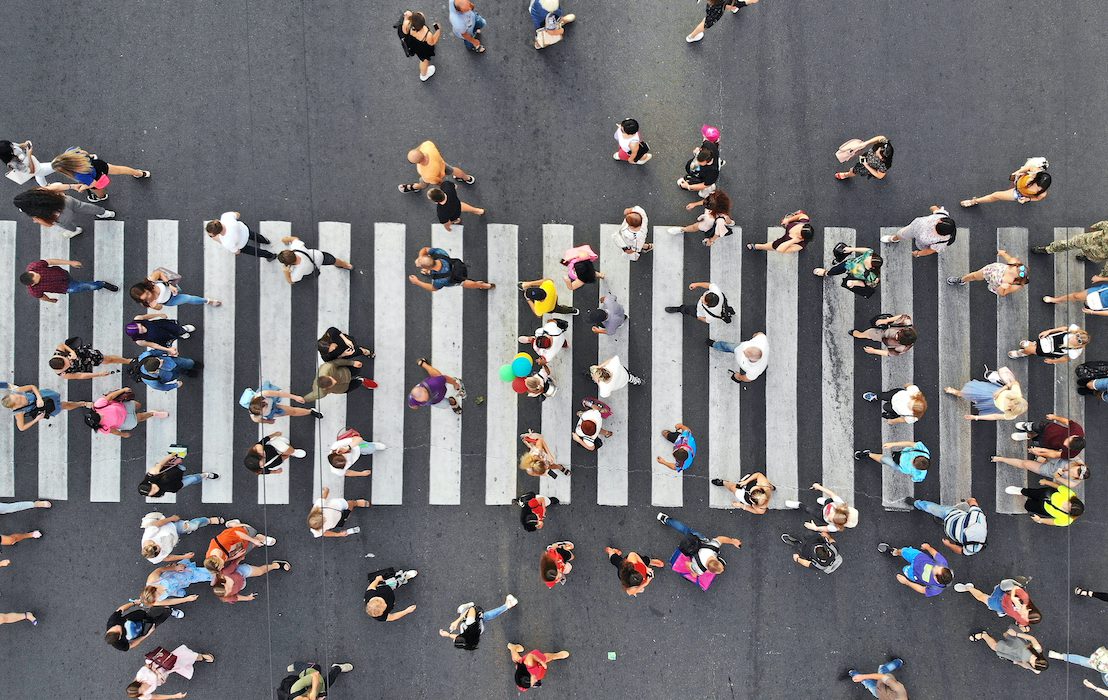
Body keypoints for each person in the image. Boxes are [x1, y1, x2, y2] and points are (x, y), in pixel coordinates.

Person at [656, 512, 742, 580]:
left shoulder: (713, 548)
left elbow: (721, 539)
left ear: (716, 560)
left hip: (697, 539)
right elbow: (687, 564)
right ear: (709, 570)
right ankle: (664, 519)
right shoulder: (700, 570)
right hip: (689, 549)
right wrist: (694, 573)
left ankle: (665, 519)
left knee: (685, 529)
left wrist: (733, 541)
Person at [12, 183, 115, 238]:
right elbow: (56, 187)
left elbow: (48, 224)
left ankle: (76, 231)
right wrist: (72, 186)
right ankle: (105, 213)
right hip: (65, 201)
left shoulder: (34, 213)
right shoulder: (38, 192)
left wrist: (36, 220)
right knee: (85, 206)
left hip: (61, 217)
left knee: (68, 226)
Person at [48, 147, 149, 202]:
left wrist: (82, 187)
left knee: (97, 189)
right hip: (98, 164)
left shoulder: (78, 175)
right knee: (119, 169)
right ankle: (140, 173)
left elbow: (92, 183)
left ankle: (101, 197)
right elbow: (85, 152)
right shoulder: (70, 151)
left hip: (96, 177)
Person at [903, 496, 987, 556]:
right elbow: (972, 501)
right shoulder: (977, 516)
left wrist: (949, 545)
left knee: (932, 509)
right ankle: (916, 503)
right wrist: (949, 544)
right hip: (951, 514)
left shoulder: (978, 516)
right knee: (930, 507)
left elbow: (972, 501)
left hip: (951, 522)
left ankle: (943, 520)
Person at [125, 644, 214, 699]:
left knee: (181, 658)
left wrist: (157, 674)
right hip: (166, 671)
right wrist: (174, 696)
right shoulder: (143, 696)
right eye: (141, 692)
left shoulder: (140, 675)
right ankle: (198, 657)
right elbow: (156, 697)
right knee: (181, 661)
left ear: (138, 684)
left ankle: (201, 656)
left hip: (162, 664)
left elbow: (148, 665)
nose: (144, 689)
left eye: (141, 688)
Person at [943, 366, 1027, 421]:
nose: (1008, 406)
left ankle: (961, 394)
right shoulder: (1016, 393)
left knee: (974, 397)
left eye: (1010, 408)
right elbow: (1014, 383)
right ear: (1015, 400)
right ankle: (957, 392)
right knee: (970, 392)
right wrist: (1001, 389)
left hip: (991, 405)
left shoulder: (1011, 415)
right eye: (1011, 404)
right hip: (990, 392)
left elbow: (994, 416)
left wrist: (976, 417)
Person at [953, 577, 1040, 630]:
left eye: (1025, 618)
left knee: (982, 597)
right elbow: (1013, 587)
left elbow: (1021, 623)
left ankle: (968, 588)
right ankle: (1001, 609)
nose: (1022, 616)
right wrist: (1013, 597)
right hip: (1004, 595)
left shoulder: (1024, 621)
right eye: (1025, 614)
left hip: (1000, 605)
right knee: (1000, 587)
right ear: (1029, 608)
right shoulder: (1024, 597)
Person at [961, 156, 1051, 207]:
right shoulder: (1034, 172)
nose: (1034, 188)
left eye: (1038, 189)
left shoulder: (1042, 194)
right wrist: (1018, 172)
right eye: (1035, 185)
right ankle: (975, 201)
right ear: (1035, 178)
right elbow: (1027, 167)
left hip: (1019, 193)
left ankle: (975, 201)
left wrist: (1028, 199)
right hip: (1018, 181)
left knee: (996, 195)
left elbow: (1037, 198)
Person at [20, 257, 118, 303]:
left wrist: (70, 262)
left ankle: (99, 284)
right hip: (66, 287)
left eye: (36, 274)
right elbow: (42, 297)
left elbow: (50, 261)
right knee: (88, 286)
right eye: (38, 278)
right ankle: (101, 284)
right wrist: (50, 300)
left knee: (80, 284)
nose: (39, 275)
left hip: (63, 274)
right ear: (32, 284)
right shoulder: (34, 291)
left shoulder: (34, 267)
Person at [141, 511, 224, 564]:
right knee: (189, 528)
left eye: (158, 548)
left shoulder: (149, 534)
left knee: (193, 526)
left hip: (173, 527)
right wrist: (184, 557)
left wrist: (172, 518)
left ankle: (208, 520)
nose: (160, 548)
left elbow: (158, 523)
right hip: (173, 540)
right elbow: (167, 558)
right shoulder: (154, 558)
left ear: (153, 544)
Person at [439, 596, 518, 650]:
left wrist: (448, 635)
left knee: (487, 617)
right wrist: (457, 621)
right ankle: (508, 604)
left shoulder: (469, 643)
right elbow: (472, 609)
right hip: (476, 616)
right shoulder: (469, 623)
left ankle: (507, 606)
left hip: (480, 628)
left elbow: (457, 637)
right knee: (461, 609)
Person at [1032, 220, 1108, 275]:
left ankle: (1086, 257)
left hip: (1096, 254)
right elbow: (1102, 224)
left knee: (1092, 258)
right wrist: (1093, 228)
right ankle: (1048, 249)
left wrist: (1103, 274)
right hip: (1085, 240)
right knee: (1066, 244)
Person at [85, 387, 167, 437]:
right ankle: (152, 413)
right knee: (140, 417)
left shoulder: (98, 405)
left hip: (124, 406)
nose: (101, 417)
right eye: (99, 419)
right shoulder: (102, 428)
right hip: (125, 421)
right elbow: (114, 431)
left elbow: (111, 396)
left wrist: (123, 390)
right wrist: (123, 434)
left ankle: (150, 413)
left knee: (138, 405)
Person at [877, 542, 952, 597]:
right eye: (940, 567)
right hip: (917, 557)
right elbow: (934, 554)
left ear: (936, 577)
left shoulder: (935, 589)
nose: (938, 565)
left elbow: (922, 589)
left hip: (913, 573)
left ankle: (899, 555)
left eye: (937, 568)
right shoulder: (942, 563)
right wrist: (928, 547)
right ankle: (894, 552)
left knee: (905, 569)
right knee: (904, 551)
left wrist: (906, 582)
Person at [399, 140, 475, 193]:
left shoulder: (425, 173)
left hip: (436, 174)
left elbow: (437, 182)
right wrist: (415, 154)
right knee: (452, 170)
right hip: (441, 164)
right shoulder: (427, 146)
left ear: (418, 162)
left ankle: (413, 187)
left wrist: (444, 186)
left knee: (423, 184)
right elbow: (421, 146)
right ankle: (468, 178)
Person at [408, 245, 493, 291]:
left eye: (419, 265)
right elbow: (425, 249)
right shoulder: (440, 253)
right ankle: (486, 285)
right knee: (463, 282)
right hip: (456, 266)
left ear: (427, 267)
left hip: (454, 277)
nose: (417, 264)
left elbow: (433, 288)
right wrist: (421, 257)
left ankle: (481, 285)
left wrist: (417, 282)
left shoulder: (440, 280)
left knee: (462, 283)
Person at [946, 248, 1028, 296]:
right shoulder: (1014, 263)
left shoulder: (1016, 285)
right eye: (1016, 266)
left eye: (1016, 269)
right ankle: (961, 280)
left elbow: (1002, 293)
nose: (1014, 267)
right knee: (974, 276)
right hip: (990, 270)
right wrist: (1003, 253)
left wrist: (1002, 287)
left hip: (995, 283)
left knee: (978, 277)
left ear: (1017, 276)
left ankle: (962, 280)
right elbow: (1009, 258)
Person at [882, 205, 957, 257]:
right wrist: (933, 208)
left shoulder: (942, 241)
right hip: (914, 227)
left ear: (939, 232)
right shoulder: (942, 215)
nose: (936, 221)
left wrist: (918, 253)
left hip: (921, 239)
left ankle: (894, 238)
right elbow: (935, 209)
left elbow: (930, 250)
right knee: (901, 234)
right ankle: (893, 238)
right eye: (939, 220)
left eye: (937, 223)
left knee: (904, 234)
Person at [2, 383, 82, 432]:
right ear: (16, 406)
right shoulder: (18, 412)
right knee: (64, 405)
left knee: (63, 403)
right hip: (45, 407)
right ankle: (81, 404)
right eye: (18, 400)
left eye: (17, 396)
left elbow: (32, 387)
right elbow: (21, 428)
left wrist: (39, 398)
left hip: (43, 396)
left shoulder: (17, 391)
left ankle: (80, 404)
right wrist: (36, 420)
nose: (21, 396)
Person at [105, 601, 181, 651]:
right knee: (158, 621)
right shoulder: (118, 644)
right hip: (143, 629)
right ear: (119, 637)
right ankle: (169, 611)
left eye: (115, 628)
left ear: (109, 631)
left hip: (141, 615)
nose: (119, 627)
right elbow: (131, 645)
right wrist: (147, 635)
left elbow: (121, 609)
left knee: (153, 611)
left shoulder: (112, 621)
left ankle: (165, 606)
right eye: (119, 631)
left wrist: (134, 603)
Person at [783, 483, 859, 533]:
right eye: (833, 513)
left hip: (821, 516)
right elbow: (831, 494)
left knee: (809, 509)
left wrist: (816, 528)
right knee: (827, 501)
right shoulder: (839, 503)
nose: (828, 515)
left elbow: (826, 528)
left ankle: (798, 505)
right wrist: (819, 487)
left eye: (830, 520)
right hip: (829, 504)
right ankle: (824, 501)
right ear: (838, 510)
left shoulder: (835, 527)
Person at [667, 190, 734, 247]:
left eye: (708, 207)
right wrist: (695, 204)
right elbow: (708, 201)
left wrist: (711, 240)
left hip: (710, 223)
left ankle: (682, 229)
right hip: (713, 219)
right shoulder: (716, 199)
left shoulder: (720, 219)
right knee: (695, 226)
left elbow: (717, 232)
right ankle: (682, 229)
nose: (706, 207)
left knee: (695, 227)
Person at [204, 520, 276, 573]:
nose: (223, 566)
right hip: (234, 546)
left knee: (253, 531)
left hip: (236, 534)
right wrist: (235, 557)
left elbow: (238, 534)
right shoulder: (212, 558)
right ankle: (258, 538)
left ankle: (234, 524)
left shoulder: (223, 541)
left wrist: (253, 540)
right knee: (246, 550)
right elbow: (226, 559)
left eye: (221, 566)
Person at [277, 235, 353, 285]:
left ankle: (345, 265)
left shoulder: (298, 271)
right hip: (319, 256)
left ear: (289, 263)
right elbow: (295, 239)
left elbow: (291, 281)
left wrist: (286, 272)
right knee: (334, 260)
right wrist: (285, 239)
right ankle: (346, 265)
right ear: (292, 252)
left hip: (312, 269)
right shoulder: (297, 248)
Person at [130, 268, 221, 309]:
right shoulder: (147, 302)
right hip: (170, 300)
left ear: (145, 288)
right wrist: (155, 306)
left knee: (180, 291)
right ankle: (208, 301)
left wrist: (168, 285)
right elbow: (160, 307)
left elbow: (159, 273)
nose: (148, 297)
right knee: (189, 298)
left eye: (147, 294)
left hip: (171, 288)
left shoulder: (151, 281)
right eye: (145, 298)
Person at [138, 451, 219, 498]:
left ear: (150, 483)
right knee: (192, 479)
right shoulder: (156, 493)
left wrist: (170, 457)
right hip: (176, 485)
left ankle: (203, 476)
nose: (154, 490)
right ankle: (205, 475)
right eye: (151, 493)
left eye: (152, 488)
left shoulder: (152, 474)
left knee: (191, 478)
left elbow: (160, 464)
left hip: (174, 473)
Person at [1004, 480, 1084, 526]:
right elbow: (1058, 487)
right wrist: (1046, 482)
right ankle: (1020, 491)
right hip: (1045, 494)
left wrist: (1040, 520)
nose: (1066, 505)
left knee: (1028, 506)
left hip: (1043, 508)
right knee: (1030, 492)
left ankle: (1026, 500)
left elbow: (1052, 522)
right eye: (1070, 503)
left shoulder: (1067, 520)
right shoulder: (1071, 494)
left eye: (1069, 509)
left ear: (1070, 513)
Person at [814, 243, 882, 298]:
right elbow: (867, 250)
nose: (866, 259)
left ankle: (828, 272)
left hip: (855, 276)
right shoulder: (869, 254)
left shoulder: (871, 276)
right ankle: (827, 273)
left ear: (872, 267)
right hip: (848, 264)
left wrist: (854, 283)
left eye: (868, 262)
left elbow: (865, 284)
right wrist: (851, 249)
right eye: (869, 258)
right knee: (836, 269)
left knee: (844, 277)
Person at [140, 558, 213, 607]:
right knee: (190, 579)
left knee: (197, 574)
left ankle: (214, 573)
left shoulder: (152, 580)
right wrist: (186, 599)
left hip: (178, 575)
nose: (159, 597)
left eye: (158, 594)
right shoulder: (154, 601)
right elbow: (169, 601)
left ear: (152, 590)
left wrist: (174, 568)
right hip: (177, 585)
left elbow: (159, 570)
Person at [211, 559, 290, 604]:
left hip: (240, 572)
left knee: (260, 572)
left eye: (227, 587)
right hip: (241, 583)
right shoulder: (226, 597)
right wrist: (247, 598)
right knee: (243, 583)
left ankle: (275, 565)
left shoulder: (225, 573)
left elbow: (234, 565)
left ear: (222, 582)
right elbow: (236, 597)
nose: (230, 589)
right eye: (229, 591)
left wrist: (239, 558)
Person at [49, 336, 130, 380]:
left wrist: (72, 352)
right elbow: (80, 376)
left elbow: (62, 345)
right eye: (68, 365)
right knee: (106, 360)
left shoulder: (59, 352)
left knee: (108, 359)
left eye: (68, 360)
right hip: (83, 365)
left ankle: (128, 361)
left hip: (83, 354)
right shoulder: (63, 374)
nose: (70, 362)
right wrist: (99, 374)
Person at [971, 628, 1048, 674]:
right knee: (1006, 633)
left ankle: (984, 635)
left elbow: (1025, 665)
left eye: (1033, 664)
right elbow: (1032, 638)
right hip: (1018, 642)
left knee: (994, 647)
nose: (1032, 661)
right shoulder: (1037, 649)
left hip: (1012, 652)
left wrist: (1016, 662)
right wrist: (1016, 634)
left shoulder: (1033, 667)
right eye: (1035, 659)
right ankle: (1021, 628)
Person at [204, 211, 274, 260]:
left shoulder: (226, 242)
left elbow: (237, 251)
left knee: (255, 251)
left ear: (217, 234)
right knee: (255, 235)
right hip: (245, 230)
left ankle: (270, 255)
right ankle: (266, 241)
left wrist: (218, 240)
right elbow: (237, 214)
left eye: (211, 236)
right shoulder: (226, 217)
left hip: (242, 244)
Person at [241, 382, 322, 423]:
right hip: (272, 412)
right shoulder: (255, 417)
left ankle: (310, 411)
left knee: (293, 410)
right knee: (292, 412)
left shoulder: (264, 394)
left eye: (264, 406)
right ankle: (310, 411)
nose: (265, 408)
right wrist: (268, 422)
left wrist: (295, 397)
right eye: (263, 411)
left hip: (271, 401)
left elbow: (279, 394)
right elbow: (259, 420)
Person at [991, 454, 1088, 489]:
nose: (1073, 472)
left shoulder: (1073, 483)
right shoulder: (1077, 460)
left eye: (1075, 475)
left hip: (1049, 470)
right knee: (1042, 458)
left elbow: (1056, 477)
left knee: (1025, 464)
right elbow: (1065, 452)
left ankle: (1001, 459)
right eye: (1076, 469)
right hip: (1055, 458)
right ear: (1079, 465)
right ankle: (1040, 458)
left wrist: (1059, 473)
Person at [854, 440, 930, 483]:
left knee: (884, 460)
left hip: (898, 465)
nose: (911, 461)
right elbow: (910, 443)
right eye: (913, 459)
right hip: (900, 455)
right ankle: (868, 454)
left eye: (913, 464)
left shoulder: (921, 474)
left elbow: (915, 479)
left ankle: (868, 454)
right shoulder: (923, 451)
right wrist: (893, 444)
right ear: (921, 456)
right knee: (884, 459)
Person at [1011, 413, 1084, 458]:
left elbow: (1055, 454)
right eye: (1068, 440)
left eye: (1067, 446)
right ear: (1074, 436)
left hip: (1049, 443)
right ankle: (1026, 425)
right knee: (1034, 426)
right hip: (1048, 428)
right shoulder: (1077, 429)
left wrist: (1039, 452)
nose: (1064, 443)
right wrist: (1055, 417)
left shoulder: (1072, 453)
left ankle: (1028, 435)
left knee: (1036, 439)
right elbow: (1067, 422)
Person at [1007, 323, 1087, 363]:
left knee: (1029, 349)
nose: (1075, 339)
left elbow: (1066, 359)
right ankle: (1033, 344)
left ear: (1080, 344)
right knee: (1037, 343)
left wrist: (1053, 361)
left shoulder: (1075, 351)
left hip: (1048, 350)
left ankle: (1022, 353)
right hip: (1047, 340)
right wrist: (1048, 331)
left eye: (1079, 341)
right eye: (1077, 336)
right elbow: (1063, 329)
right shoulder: (1073, 330)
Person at [686, 0, 759, 43]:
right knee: (707, 22)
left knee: (728, 4)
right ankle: (691, 36)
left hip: (717, 3)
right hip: (719, 5)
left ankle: (733, 7)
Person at [302, 358, 373, 402]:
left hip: (346, 372)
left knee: (357, 370)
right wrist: (303, 399)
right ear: (326, 388)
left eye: (331, 379)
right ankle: (361, 380)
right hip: (343, 388)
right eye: (332, 384)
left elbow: (337, 362)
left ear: (327, 376)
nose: (335, 381)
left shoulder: (327, 367)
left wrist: (352, 363)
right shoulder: (321, 393)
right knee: (357, 383)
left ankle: (359, 379)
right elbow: (312, 396)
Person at [398, 10, 442, 81]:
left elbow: (404, 31)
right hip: (422, 47)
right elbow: (432, 42)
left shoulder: (407, 24)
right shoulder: (427, 35)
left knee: (421, 58)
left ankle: (424, 73)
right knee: (424, 60)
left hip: (412, 42)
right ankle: (424, 74)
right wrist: (438, 30)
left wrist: (406, 17)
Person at [665, 281, 734, 325]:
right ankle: (730, 312)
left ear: (708, 305)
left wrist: (699, 317)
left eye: (703, 300)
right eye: (704, 296)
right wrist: (696, 284)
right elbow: (709, 285)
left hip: (699, 311)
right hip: (720, 308)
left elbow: (706, 320)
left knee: (688, 309)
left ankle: (680, 309)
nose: (701, 297)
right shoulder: (716, 292)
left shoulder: (711, 315)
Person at [746, 210, 813, 254]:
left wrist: (793, 241)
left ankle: (757, 246)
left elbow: (780, 249)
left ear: (801, 237)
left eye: (799, 231)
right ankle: (794, 214)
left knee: (773, 245)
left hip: (784, 241)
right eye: (801, 226)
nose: (799, 227)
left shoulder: (799, 245)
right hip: (790, 226)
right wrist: (788, 220)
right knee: (796, 215)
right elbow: (801, 216)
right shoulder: (803, 221)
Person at [134, 348, 201, 392]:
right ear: (155, 371)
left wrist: (169, 352)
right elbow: (162, 387)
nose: (162, 360)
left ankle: (192, 365)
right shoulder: (151, 381)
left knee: (189, 362)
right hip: (169, 376)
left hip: (172, 361)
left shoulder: (147, 355)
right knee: (179, 373)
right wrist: (175, 385)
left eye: (159, 359)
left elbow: (158, 351)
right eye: (160, 363)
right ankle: (186, 372)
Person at [279, 662, 354, 700]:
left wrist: (314, 693)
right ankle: (338, 668)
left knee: (316, 667)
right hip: (319, 688)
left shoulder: (295, 689)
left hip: (309, 674)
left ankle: (296, 665)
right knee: (329, 681)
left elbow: (316, 675)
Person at [677, 137, 720, 203]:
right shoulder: (708, 144)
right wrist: (696, 151)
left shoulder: (713, 171)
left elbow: (705, 185)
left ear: (707, 161)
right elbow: (703, 143)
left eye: (701, 163)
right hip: (698, 172)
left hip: (702, 177)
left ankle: (706, 191)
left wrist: (688, 186)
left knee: (703, 184)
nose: (698, 162)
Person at [851, 314, 916, 357]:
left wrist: (874, 351)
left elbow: (888, 353)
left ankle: (858, 334)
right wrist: (886, 320)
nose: (895, 336)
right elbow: (902, 316)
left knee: (868, 334)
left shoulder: (902, 348)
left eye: (897, 339)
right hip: (889, 326)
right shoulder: (907, 324)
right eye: (898, 333)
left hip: (883, 336)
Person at [125, 314, 195, 354]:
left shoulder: (138, 319)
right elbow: (154, 345)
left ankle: (183, 329)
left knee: (173, 328)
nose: (143, 328)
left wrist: (159, 314)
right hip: (160, 337)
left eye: (141, 326)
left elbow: (147, 316)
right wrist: (168, 350)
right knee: (171, 336)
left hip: (161, 325)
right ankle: (180, 334)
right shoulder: (139, 341)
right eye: (141, 331)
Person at [861, 384, 927, 425]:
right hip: (895, 395)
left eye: (909, 407)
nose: (907, 404)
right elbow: (909, 385)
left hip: (895, 408)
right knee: (884, 395)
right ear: (916, 398)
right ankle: (875, 397)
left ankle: (890, 415)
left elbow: (902, 420)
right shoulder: (915, 392)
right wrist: (906, 386)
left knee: (885, 407)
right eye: (911, 401)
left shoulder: (913, 418)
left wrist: (892, 421)